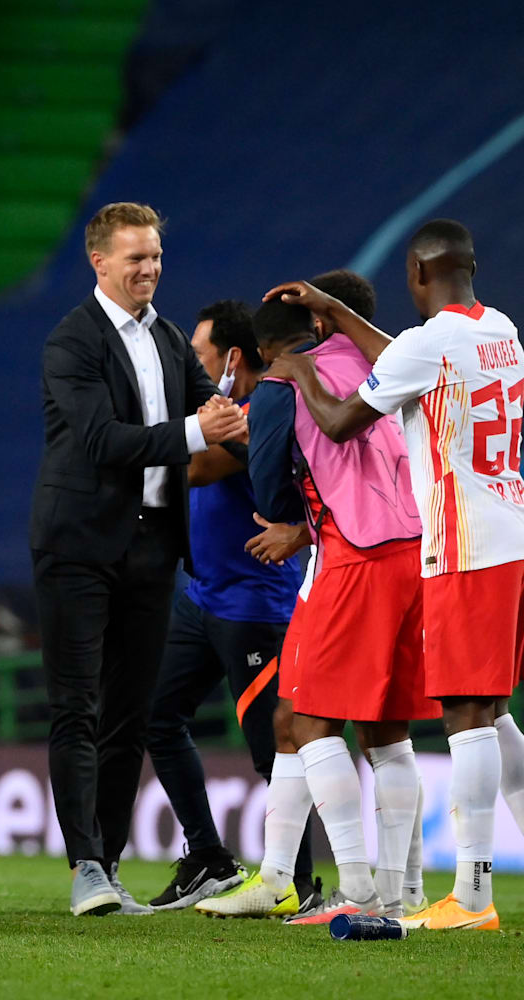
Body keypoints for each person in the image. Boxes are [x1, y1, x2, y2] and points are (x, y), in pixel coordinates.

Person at [265, 220, 524, 931]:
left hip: (467, 541)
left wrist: (302, 369)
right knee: (493, 714)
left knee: (467, 715)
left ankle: (471, 896)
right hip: (521, 531)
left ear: (415, 273)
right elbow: (409, 358)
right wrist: (343, 314)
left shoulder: (424, 344)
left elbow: (344, 420)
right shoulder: (498, 327)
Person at [31, 201, 247, 917]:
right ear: (100, 262)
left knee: (129, 712)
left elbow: (219, 421)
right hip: (79, 545)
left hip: (153, 545)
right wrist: (194, 428)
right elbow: (101, 441)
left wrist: (288, 466)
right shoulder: (73, 341)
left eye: (154, 256)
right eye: (135, 258)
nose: (149, 269)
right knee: (77, 706)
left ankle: (110, 863)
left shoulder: (168, 337)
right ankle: (84, 866)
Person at [195, 271, 423, 921]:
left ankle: (357, 890)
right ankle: (349, 883)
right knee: (367, 728)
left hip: (353, 557)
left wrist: (294, 518)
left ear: (263, 351)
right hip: (412, 550)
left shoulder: (275, 387)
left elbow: (268, 496)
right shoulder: (360, 354)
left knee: (308, 721)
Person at [139, 299, 307, 911]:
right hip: (202, 595)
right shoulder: (224, 411)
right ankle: (208, 856)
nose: (191, 368)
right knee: (158, 715)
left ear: (232, 359)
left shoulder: (256, 416)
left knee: (276, 750)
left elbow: (196, 469)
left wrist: (129, 443)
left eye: (199, 357)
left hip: (254, 605)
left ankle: (300, 884)